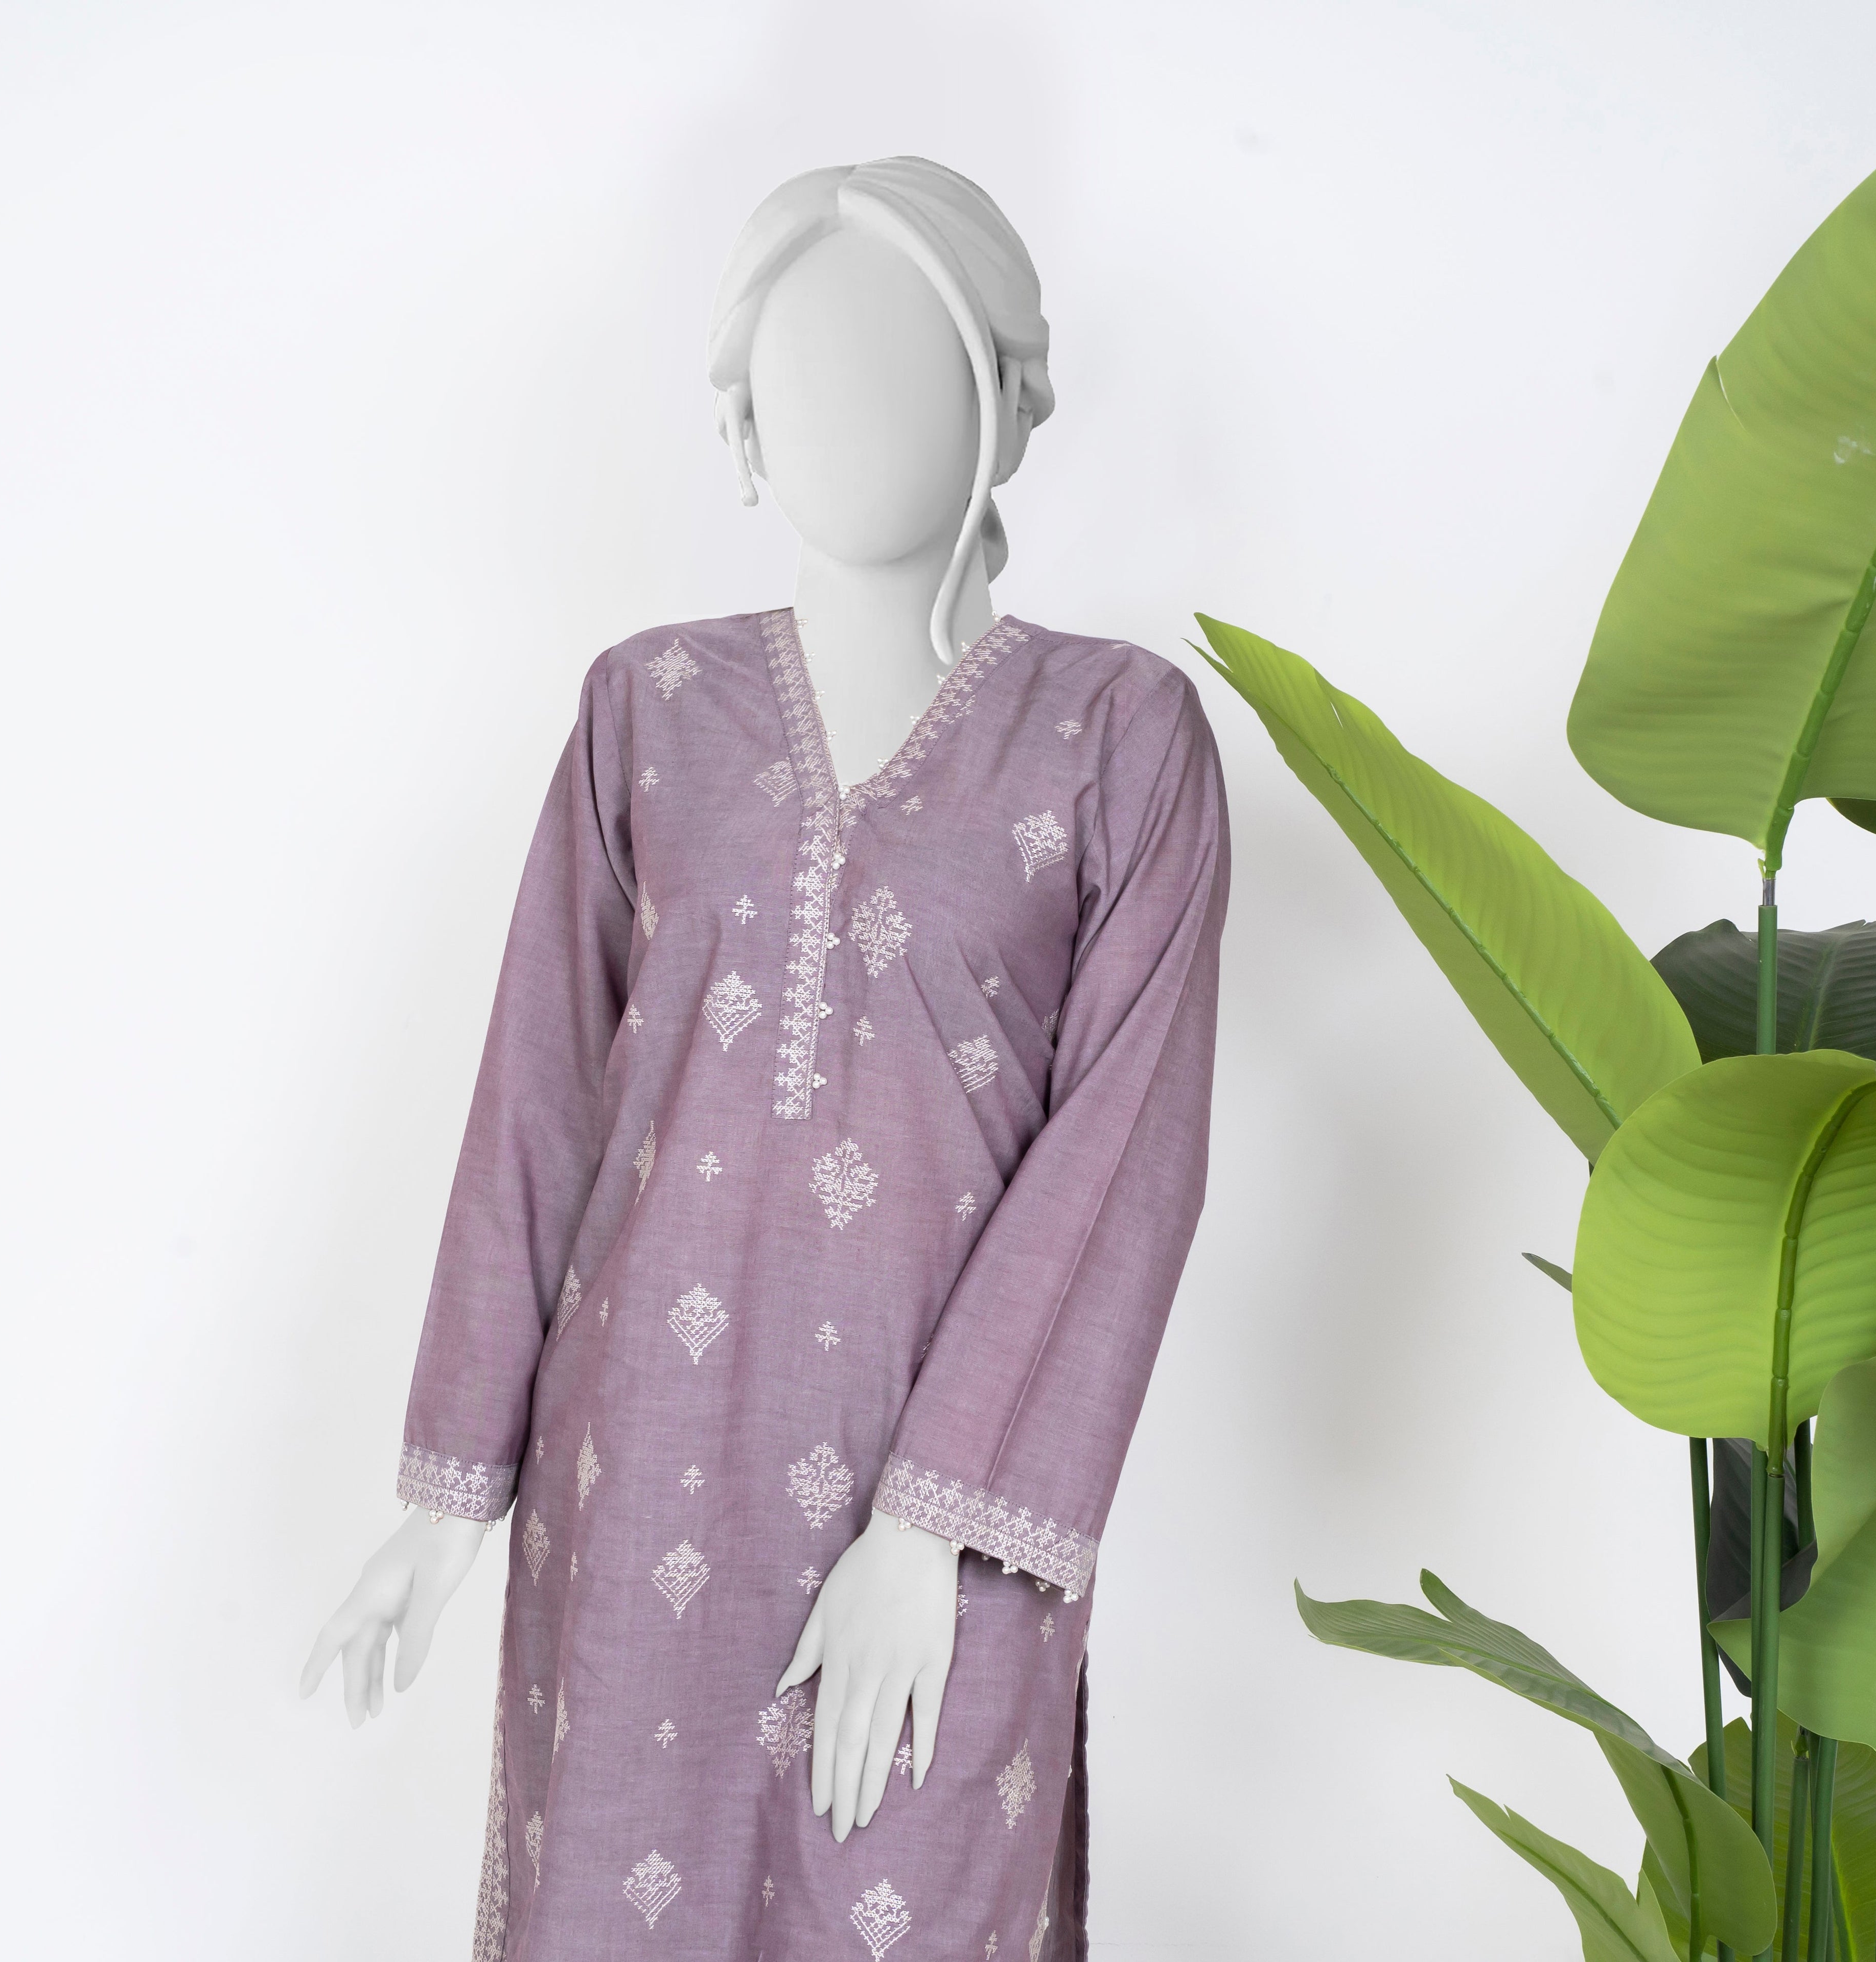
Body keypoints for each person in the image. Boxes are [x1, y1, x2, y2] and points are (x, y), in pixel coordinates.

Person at [303, 156, 1228, 1962]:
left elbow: (1126, 1162)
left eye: (907, 356)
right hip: (637, 1470)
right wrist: (443, 1503)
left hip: (947, 1527)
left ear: (1008, 398)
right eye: (804, 367)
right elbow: (536, 1105)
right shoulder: (647, 711)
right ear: (737, 420)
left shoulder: (1120, 738)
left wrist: (933, 1528)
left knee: (910, 1895)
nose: (850, 408)